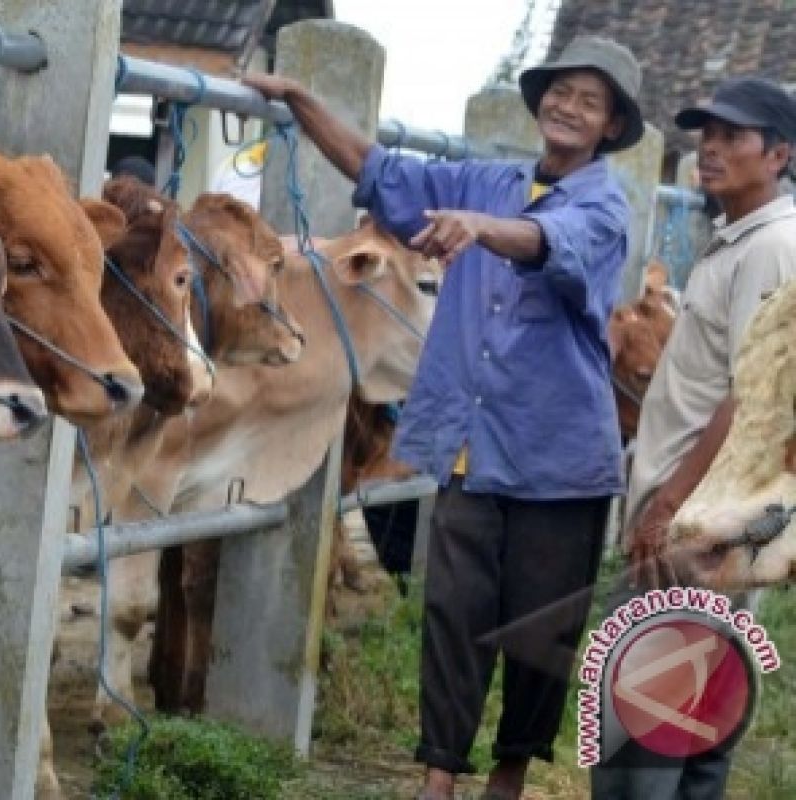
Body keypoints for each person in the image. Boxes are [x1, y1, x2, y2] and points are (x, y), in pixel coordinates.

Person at [246, 35, 644, 800]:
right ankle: (438, 777)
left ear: (611, 127)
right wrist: (301, 101)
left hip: (560, 458)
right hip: (473, 446)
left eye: (589, 102)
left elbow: (549, 243)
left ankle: (511, 772)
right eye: (560, 92)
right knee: (453, 613)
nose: (568, 107)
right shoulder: (487, 180)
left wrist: (480, 229)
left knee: (539, 629)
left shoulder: (604, 207)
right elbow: (378, 172)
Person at [591, 75, 796, 800]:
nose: (709, 150)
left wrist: (668, 503)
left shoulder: (772, 246)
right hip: (710, 522)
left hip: (691, 523)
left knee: (638, 728)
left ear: (779, 154)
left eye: (731, 138)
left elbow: (754, 396)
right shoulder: (739, 239)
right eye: (705, 135)